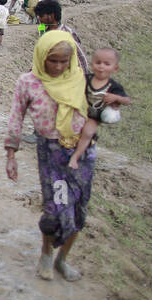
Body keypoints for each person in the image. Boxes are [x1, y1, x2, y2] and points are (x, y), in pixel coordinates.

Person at [5, 31, 93, 281]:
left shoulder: (79, 79)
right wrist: (11, 154)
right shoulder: (28, 82)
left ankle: (62, 259)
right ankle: (46, 253)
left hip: (82, 151)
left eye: (63, 61)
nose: (57, 67)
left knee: (78, 210)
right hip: (51, 152)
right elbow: (16, 117)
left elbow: (94, 114)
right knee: (55, 208)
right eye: (52, 60)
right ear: (41, 57)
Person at [68, 48, 131, 170]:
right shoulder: (86, 79)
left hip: (94, 116)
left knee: (87, 133)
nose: (101, 66)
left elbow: (127, 100)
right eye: (98, 62)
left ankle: (75, 157)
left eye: (107, 64)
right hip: (80, 112)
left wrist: (116, 97)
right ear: (92, 64)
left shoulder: (113, 86)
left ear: (115, 68)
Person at [33, 0, 89, 74]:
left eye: (41, 16)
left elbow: (80, 59)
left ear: (51, 16)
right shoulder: (45, 31)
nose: (39, 19)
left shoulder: (65, 35)